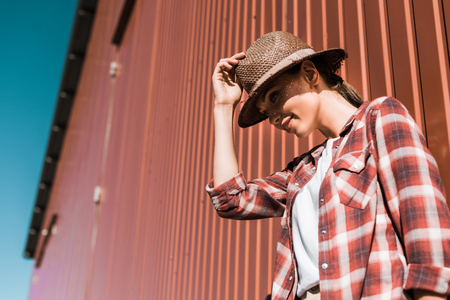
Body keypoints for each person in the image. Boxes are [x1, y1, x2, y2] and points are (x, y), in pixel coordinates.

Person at [205, 31, 450, 300]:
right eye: (265, 113)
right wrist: (223, 105)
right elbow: (231, 199)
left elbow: (424, 221)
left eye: (273, 97)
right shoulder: (301, 172)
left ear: (310, 74)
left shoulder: (379, 118)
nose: (273, 118)